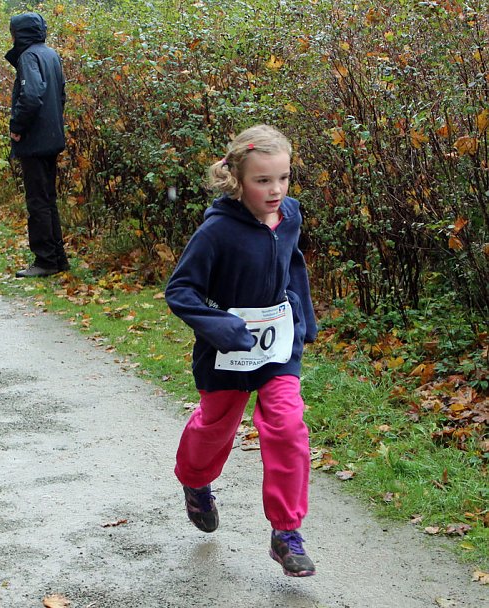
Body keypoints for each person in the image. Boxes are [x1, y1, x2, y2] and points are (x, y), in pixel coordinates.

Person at [165, 124, 318, 577]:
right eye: (262, 180)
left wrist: (301, 318)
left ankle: (286, 534)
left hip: (276, 349)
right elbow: (181, 290)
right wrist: (223, 328)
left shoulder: (289, 214)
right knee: (215, 426)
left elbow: (293, 265)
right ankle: (195, 482)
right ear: (237, 178)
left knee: (288, 425)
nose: (275, 191)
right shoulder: (216, 233)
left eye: (283, 178)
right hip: (226, 352)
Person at [5, 12, 69, 278]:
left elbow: (31, 95)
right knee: (48, 200)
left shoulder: (29, 56)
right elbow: (61, 94)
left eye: (12, 32)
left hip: (35, 140)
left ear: (20, 33)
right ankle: (58, 259)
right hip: (52, 137)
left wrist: (17, 127)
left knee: (37, 202)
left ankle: (45, 261)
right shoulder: (50, 54)